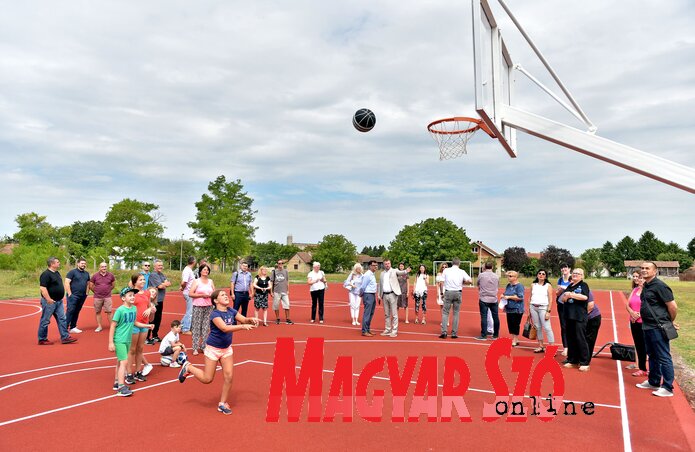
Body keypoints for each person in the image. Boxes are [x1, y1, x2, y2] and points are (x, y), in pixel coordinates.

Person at [177, 289, 259, 415]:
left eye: (226, 295)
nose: (226, 296)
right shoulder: (214, 314)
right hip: (213, 349)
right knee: (207, 379)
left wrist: (250, 319)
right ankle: (188, 367)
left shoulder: (231, 311)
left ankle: (222, 403)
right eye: (222, 295)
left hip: (226, 349)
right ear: (215, 301)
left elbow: (243, 319)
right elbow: (224, 328)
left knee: (229, 377)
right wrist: (242, 326)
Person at [636, 261, 678, 398]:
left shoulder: (660, 286)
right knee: (652, 355)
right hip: (647, 325)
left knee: (663, 356)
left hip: (658, 326)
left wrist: (669, 322)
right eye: (642, 268)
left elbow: (672, 306)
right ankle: (653, 381)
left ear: (655, 271)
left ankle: (667, 387)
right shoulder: (646, 286)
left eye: (647, 268)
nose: (644, 270)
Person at [109, 287, 148, 397]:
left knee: (120, 361)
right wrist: (110, 342)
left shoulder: (134, 309)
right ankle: (121, 387)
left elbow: (135, 322)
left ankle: (116, 382)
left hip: (128, 340)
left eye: (133, 295)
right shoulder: (120, 310)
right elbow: (113, 326)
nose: (132, 297)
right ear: (123, 298)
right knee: (124, 362)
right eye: (129, 295)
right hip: (119, 340)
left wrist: (147, 325)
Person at [38, 257, 77, 345]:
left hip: (58, 302)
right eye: (57, 262)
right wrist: (48, 299)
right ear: (52, 264)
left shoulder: (57, 273)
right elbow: (43, 288)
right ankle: (42, 339)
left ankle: (65, 337)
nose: (59, 263)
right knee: (45, 320)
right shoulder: (45, 274)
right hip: (49, 302)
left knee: (62, 319)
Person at [127, 274, 156, 384]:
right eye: (140, 280)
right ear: (135, 282)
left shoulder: (147, 293)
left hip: (144, 324)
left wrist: (149, 309)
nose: (143, 281)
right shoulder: (132, 293)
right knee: (132, 350)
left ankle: (138, 372)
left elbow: (149, 305)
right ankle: (129, 373)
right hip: (134, 324)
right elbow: (127, 306)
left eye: (144, 279)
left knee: (140, 348)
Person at [561, 268, 591, 372]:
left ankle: (584, 362)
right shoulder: (570, 285)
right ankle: (572, 359)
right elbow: (563, 298)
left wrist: (571, 295)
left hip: (579, 317)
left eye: (578, 274)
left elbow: (584, 297)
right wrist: (566, 296)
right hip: (569, 316)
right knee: (570, 338)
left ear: (582, 276)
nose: (575, 275)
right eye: (574, 273)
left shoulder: (583, 285)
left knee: (580, 338)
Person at [438, 258, 471, 340]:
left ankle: (444, 332)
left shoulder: (446, 271)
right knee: (456, 313)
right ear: (459, 263)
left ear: (452, 263)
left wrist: (442, 293)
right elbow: (470, 281)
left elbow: (441, 282)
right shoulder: (462, 271)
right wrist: (462, 282)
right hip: (458, 292)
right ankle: (454, 333)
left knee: (445, 312)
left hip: (448, 292)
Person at [378, 259, 411, 338]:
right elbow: (380, 284)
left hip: (393, 294)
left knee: (394, 314)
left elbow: (401, 272)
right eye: (386, 264)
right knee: (387, 314)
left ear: (390, 263)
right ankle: (387, 329)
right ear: (383, 265)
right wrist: (379, 294)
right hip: (384, 295)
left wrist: (406, 271)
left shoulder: (395, 271)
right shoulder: (382, 274)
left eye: (388, 263)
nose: (387, 265)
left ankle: (394, 330)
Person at [188, 263, 215, 356]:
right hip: (198, 306)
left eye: (207, 270)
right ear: (200, 271)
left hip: (209, 306)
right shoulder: (196, 281)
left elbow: (214, 293)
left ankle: (203, 346)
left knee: (206, 327)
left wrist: (213, 298)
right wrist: (201, 295)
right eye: (204, 269)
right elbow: (190, 293)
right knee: (196, 326)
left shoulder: (211, 281)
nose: (206, 271)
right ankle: (195, 347)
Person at [625, 271, 648, 377]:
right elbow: (627, 305)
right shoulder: (635, 290)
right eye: (639, 278)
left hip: (644, 322)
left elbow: (651, 307)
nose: (640, 280)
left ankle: (650, 369)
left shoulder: (649, 292)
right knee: (638, 345)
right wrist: (632, 313)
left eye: (642, 278)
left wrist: (639, 314)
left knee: (646, 346)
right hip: (634, 321)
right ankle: (642, 368)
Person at [528, 269, 555, 353]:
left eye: (543, 274)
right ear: (537, 275)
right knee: (537, 327)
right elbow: (530, 297)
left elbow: (550, 299)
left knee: (547, 328)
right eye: (539, 273)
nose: (541, 275)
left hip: (543, 308)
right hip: (533, 307)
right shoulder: (533, 285)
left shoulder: (548, 286)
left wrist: (548, 311)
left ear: (545, 276)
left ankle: (552, 348)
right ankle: (541, 346)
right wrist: (529, 310)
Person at [147, 260, 171, 344]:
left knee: (158, 318)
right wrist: (164, 284)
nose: (160, 267)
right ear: (154, 267)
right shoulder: (153, 275)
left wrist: (164, 284)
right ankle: (147, 337)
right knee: (151, 319)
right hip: (154, 300)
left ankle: (155, 335)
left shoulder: (161, 274)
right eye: (158, 265)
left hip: (160, 300)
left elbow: (169, 283)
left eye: (161, 265)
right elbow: (160, 286)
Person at [65, 258, 90, 334]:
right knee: (70, 311)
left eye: (84, 263)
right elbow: (66, 283)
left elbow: (88, 283)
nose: (83, 265)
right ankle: (64, 328)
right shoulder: (72, 272)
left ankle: (73, 327)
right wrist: (70, 294)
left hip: (82, 296)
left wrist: (87, 293)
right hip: (73, 296)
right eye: (82, 263)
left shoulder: (86, 273)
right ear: (78, 264)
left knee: (77, 311)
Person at [475, 262, 499, 340]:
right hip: (493, 299)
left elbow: (478, 284)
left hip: (484, 298)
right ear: (492, 267)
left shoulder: (481, 275)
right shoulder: (496, 276)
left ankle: (483, 335)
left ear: (485, 267)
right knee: (495, 317)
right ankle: (495, 335)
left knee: (484, 317)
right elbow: (497, 285)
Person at [90, 262, 115, 333]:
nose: (104, 268)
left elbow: (113, 285)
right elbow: (91, 285)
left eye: (105, 266)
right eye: (102, 267)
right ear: (99, 268)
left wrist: (107, 290)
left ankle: (112, 326)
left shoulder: (111, 275)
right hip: (97, 297)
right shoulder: (95, 276)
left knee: (109, 311)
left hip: (107, 296)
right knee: (98, 312)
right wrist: (96, 291)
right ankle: (99, 326)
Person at [501, 271, 525, 346]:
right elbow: (506, 293)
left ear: (515, 277)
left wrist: (509, 297)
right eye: (508, 276)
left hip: (517, 308)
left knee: (515, 324)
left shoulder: (519, 286)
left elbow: (520, 297)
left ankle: (515, 339)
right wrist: (503, 295)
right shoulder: (508, 285)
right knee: (510, 324)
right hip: (509, 308)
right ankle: (515, 338)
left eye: (510, 276)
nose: (508, 277)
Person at [358, 260, 378, 337]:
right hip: (368, 294)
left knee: (371, 313)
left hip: (372, 294)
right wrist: (361, 294)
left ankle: (368, 329)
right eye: (374, 265)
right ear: (370, 266)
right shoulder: (367, 275)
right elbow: (363, 286)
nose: (376, 266)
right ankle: (364, 330)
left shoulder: (373, 274)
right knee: (367, 313)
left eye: (376, 265)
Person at [555, 263, 572, 357]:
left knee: (571, 325)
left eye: (566, 267)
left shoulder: (572, 278)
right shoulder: (560, 279)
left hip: (571, 305)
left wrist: (567, 289)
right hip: (561, 305)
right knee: (563, 326)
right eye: (562, 267)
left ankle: (572, 346)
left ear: (569, 269)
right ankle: (566, 347)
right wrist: (561, 289)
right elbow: (557, 293)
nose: (564, 269)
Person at [271, 260, 293, 325]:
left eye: (282, 263)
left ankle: (288, 318)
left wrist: (288, 290)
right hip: (276, 291)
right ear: (277, 264)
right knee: (276, 305)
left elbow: (287, 281)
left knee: (287, 305)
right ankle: (277, 318)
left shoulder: (286, 271)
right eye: (279, 263)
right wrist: (271, 291)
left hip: (284, 291)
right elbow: (271, 282)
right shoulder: (274, 271)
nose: (280, 264)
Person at [180, 256, 197, 336]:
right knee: (190, 312)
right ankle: (185, 329)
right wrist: (183, 288)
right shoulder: (187, 270)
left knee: (189, 311)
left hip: (189, 292)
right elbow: (184, 282)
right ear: (193, 262)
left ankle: (180, 326)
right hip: (188, 293)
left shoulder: (188, 270)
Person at [585, 291, 602, 364]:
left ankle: (586, 361)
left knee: (589, 339)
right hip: (583, 318)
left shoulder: (586, 291)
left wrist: (581, 317)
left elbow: (590, 307)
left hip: (593, 317)